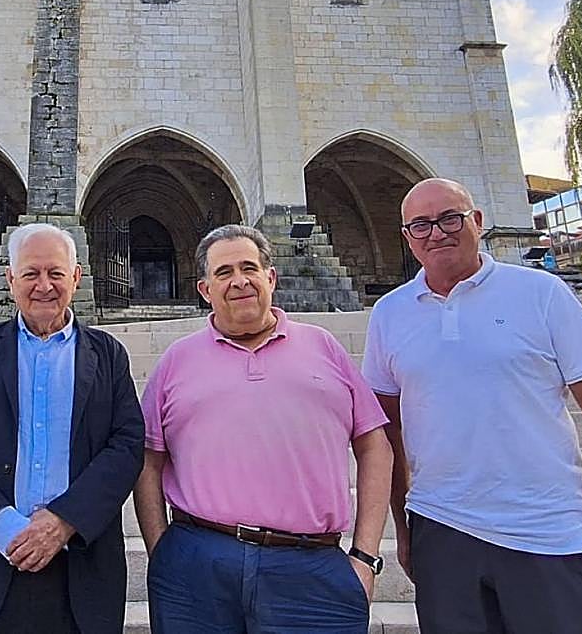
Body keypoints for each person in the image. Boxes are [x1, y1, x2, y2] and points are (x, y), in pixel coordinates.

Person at [362, 178, 582, 633]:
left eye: (451, 218)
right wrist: (406, 530)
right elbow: (386, 430)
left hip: (548, 533)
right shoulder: (391, 314)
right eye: (421, 225)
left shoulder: (540, 293)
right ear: (408, 238)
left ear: (478, 221)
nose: (437, 233)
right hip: (442, 531)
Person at [134, 224, 393, 634]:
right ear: (204, 289)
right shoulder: (175, 361)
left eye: (249, 267)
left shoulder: (324, 346)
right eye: (223, 272)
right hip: (198, 565)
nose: (239, 281)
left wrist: (364, 556)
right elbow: (148, 459)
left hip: (312, 570)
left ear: (271, 277)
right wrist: (160, 549)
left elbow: (375, 445)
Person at [0, 222, 144, 634]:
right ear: (10, 280)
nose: (43, 285)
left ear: (76, 277)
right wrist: (4, 527)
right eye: (31, 273)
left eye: (55, 273)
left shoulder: (108, 355)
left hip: (80, 570)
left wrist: (64, 521)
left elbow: (127, 443)